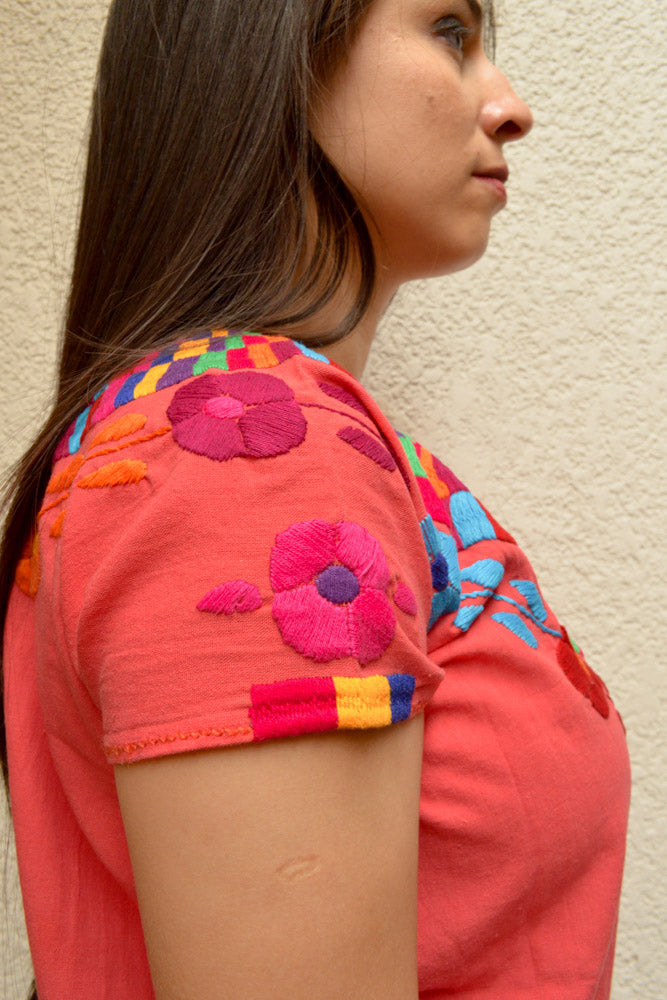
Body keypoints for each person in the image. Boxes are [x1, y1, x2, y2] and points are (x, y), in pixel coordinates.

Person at [0, 0, 631, 997]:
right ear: (275, 45)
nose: (508, 108)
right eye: (450, 35)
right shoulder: (241, 451)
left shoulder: (266, 433)